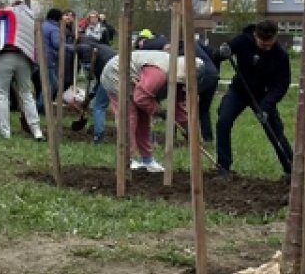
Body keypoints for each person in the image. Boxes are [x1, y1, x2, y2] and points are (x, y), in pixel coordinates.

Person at [214, 20, 293, 178]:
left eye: (269, 43)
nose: (266, 47)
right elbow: (219, 55)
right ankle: (224, 166)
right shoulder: (244, 40)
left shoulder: (280, 55)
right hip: (239, 91)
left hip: (264, 96)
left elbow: (282, 85)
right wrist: (222, 53)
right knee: (223, 122)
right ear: (255, 35)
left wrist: (267, 105)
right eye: (262, 43)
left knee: (275, 131)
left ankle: (291, 168)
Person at [101, 50, 196, 172]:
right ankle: (127, 160)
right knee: (129, 118)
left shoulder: (180, 80)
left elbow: (178, 105)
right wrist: (159, 111)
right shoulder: (159, 74)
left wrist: (186, 128)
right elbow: (141, 98)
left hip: (139, 83)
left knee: (144, 120)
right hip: (117, 74)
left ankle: (147, 160)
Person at [0, 1, 45, 140]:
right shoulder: (32, 20)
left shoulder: (10, 11)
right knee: (27, 94)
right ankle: (36, 130)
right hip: (25, 58)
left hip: (6, 52)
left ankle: (5, 132)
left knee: (2, 93)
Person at [42, 8, 63, 100]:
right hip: (49, 59)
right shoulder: (54, 29)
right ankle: (40, 105)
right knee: (53, 84)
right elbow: (57, 44)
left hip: (39, 57)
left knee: (45, 83)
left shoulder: (43, 25)